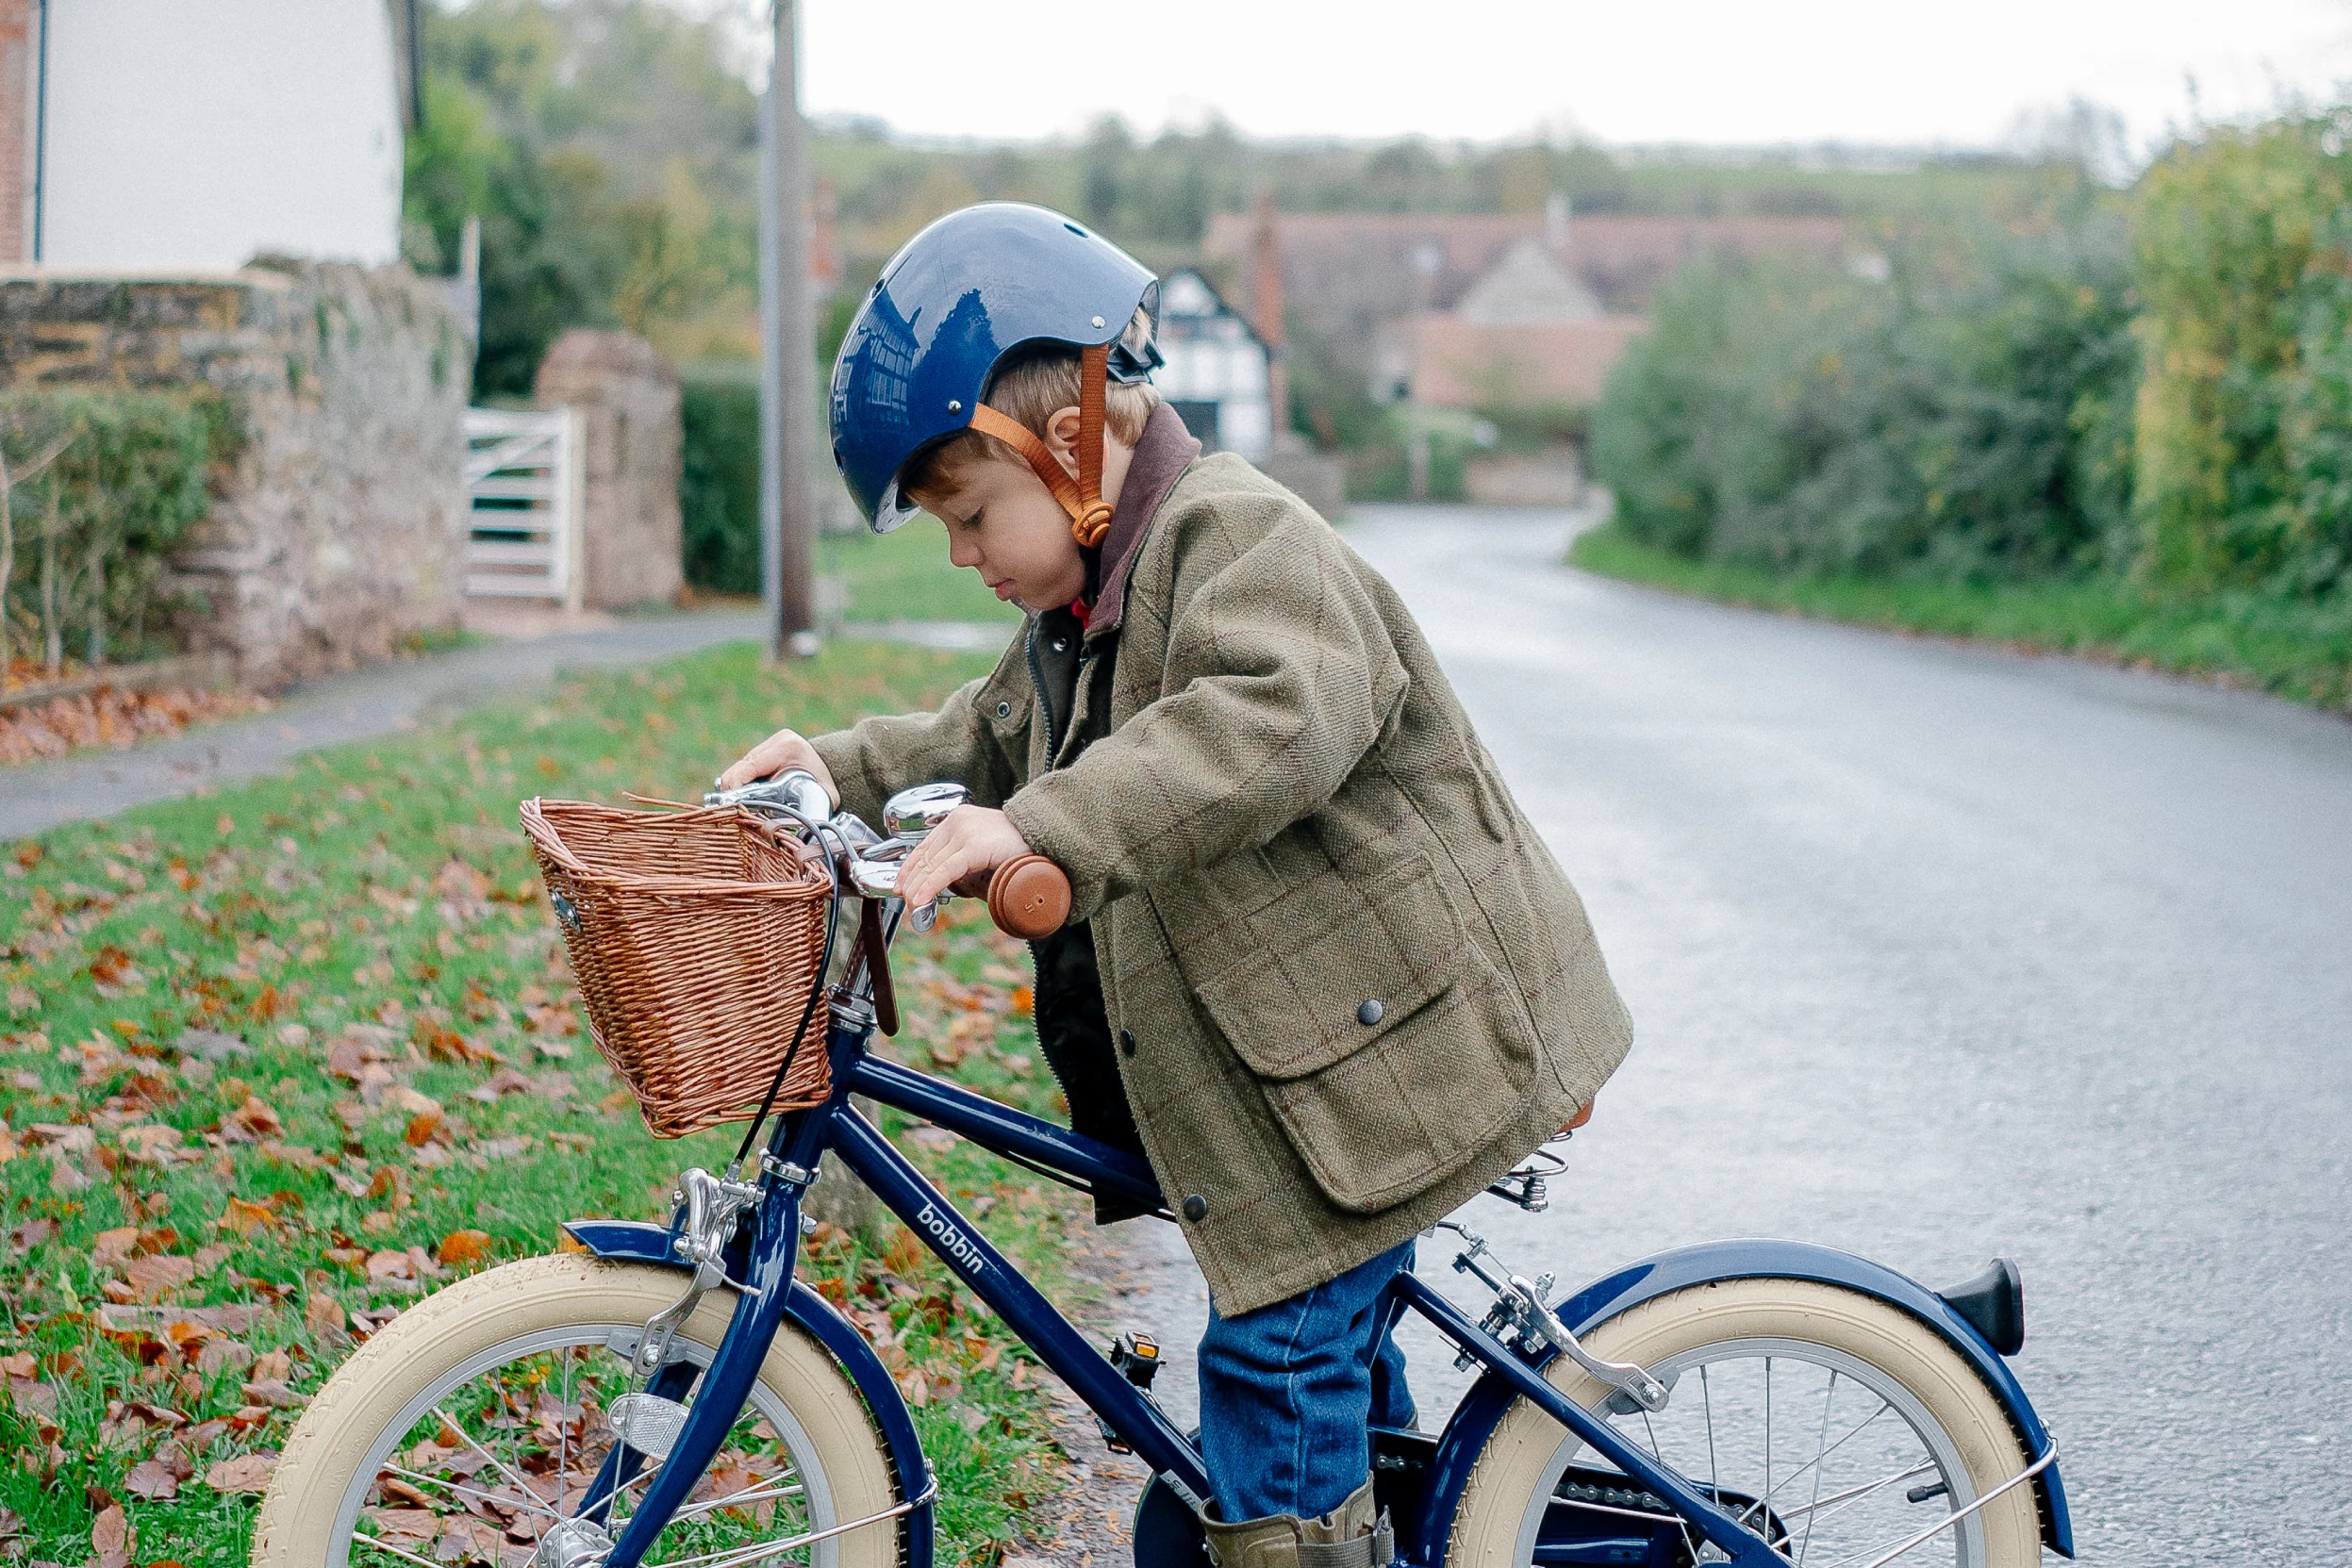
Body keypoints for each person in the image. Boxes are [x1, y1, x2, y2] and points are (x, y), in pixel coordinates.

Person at [721, 203, 1631, 1568]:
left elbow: (1256, 724)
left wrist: (1035, 829)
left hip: (1399, 1062)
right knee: (1314, 1358)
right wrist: (836, 769)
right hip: (1317, 1071)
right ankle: (1367, 1525)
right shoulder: (1079, 608)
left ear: (1078, 445)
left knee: (1274, 1361)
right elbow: (986, 737)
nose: (967, 556)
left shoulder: (1242, 540)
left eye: (974, 514)